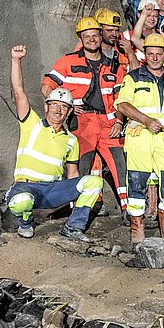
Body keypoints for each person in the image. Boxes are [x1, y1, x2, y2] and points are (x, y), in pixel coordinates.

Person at [5, 45, 103, 242]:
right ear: (46, 107)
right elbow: (18, 92)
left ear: (69, 112)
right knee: (21, 202)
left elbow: (73, 174)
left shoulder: (71, 140)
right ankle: (26, 222)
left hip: (52, 191)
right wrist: (16, 60)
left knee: (94, 182)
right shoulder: (31, 123)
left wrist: (74, 204)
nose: (58, 110)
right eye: (54, 105)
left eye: (64, 107)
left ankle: (73, 227)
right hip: (26, 187)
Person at [42, 16, 127, 216]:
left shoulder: (113, 65)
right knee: (81, 165)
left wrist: (119, 121)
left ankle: (129, 211)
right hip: (82, 121)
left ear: (100, 36)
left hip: (109, 123)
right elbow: (47, 86)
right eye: (86, 36)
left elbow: (122, 98)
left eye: (95, 35)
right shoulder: (68, 61)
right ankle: (79, 210)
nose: (91, 39)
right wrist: (66, 107)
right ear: (80, 38)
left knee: (120, 165)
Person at [115, 33, 164, 245]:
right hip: (139, 136)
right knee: (137, 183)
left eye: (159, 54)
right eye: (151, 54)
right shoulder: (133, 77)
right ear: (145, 54)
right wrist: (146, 120)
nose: (155, 58)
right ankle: (137, 232)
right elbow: (122, 104)